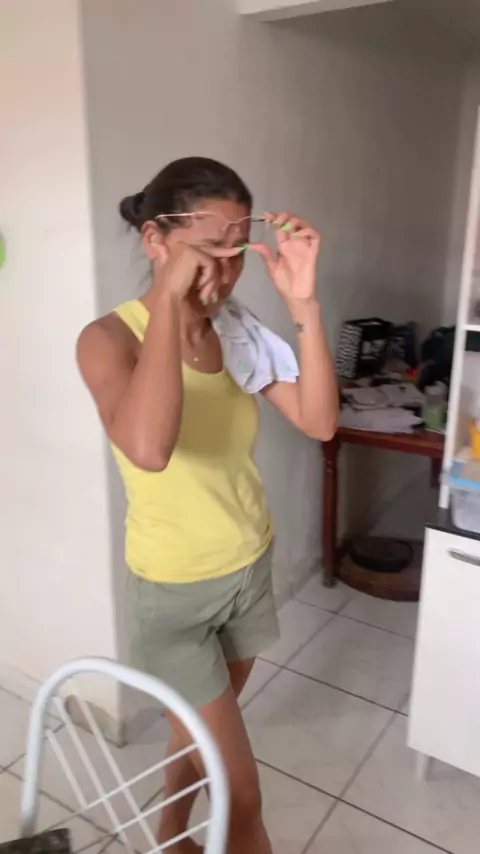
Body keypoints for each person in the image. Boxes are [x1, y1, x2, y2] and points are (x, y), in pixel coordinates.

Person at [77, 157, 338, 854]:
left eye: (236, 255)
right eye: (206, 253)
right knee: (242, 800)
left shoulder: (238, 330)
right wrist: (167, 304)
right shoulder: (108, 340)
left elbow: (319, 422)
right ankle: (183, 833)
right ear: (155, 241)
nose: (221, 277)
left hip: (247, 568)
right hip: (175, 594)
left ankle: (170, 835)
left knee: (195, 738)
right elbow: (149, 448)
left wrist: (305, 303)